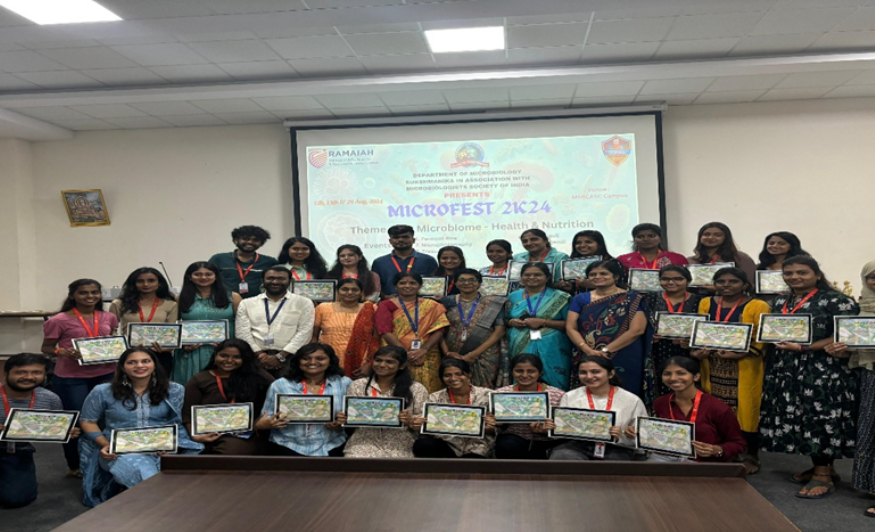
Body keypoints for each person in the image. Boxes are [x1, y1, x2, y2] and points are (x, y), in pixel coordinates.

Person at [759, 256, 860, 499]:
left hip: (823, 369)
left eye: (802, 272)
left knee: (820, 417)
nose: (794, 277)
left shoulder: (837, 300)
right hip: (787, 367)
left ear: (817, 274)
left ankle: (822, 476)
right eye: (789, 273)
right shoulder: (780, 300)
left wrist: (806, 347)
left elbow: (846, 332)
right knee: (800, 417)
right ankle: (825, 468)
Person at [79, 348, 203, 507]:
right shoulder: (103, 391)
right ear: (122, 367)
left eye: (145, 361)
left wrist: (170, 445)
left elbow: (175, 422)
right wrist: (105, 445)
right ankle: (165, 508)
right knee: (147, 476)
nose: (139, 365)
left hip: (160, 446)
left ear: (154, 365)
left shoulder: (174, 390)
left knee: (188, 470)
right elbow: (87, 421)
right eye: (132, 362)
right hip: (119, 450)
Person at [691, 267, 769, 474]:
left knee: (747, 409)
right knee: (716, 407)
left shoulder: (758, 305)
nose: (726, 285)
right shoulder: (706, 302)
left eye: (733, 281)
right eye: (721, 282)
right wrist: (698, 350)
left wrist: (741, 353)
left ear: (745, 285)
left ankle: (751, 454)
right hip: (712, 364)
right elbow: (700, 329)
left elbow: (762, 336)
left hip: (745, 366)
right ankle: (724, 450)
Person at [41, 279, 119, 478]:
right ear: (72, 295)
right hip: (72, 377)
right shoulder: (58, 320)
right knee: (76, 422)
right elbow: (46, 347)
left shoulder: (109, 317)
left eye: (94, 292)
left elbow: (112, 340)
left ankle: (104, 460)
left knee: (105, 419)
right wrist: (62, 351)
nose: (90, 296)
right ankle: (74, 464)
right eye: (83, 293)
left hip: (106, 373)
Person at [566, 260, 653, 400]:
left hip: (624, 352)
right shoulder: (580, 299)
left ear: (616, 277)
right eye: (593, 274)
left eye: (603, 273)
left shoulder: (632, 298)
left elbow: (637, 330)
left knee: (626, 391)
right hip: (587, 352)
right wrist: (587, 350)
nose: (597, 277)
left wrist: (606, 350)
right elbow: (571, 327)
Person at [0, 354, 76, 509]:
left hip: (16, 451)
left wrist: (65, 431)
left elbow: (52, 426)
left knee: (16, 499)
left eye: (36, 372)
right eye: (21, 372)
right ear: (6, 373)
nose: (29, 377)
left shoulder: (50, 399)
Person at [643, 357, 746, 462]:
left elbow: (738, 443)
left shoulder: (717, 407)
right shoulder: (660, 403)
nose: (673, 378)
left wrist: (717, 450)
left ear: (696, 377)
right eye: (667, 374)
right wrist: (641, 434)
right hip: (667, 457)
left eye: (681, 373)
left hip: (703, 461)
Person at [256, 343, 351, 456]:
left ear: (331, 361)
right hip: (287, 445)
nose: (312, 362)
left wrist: (341, 422)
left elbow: (354, 417)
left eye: (320, 358)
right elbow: (263, 419)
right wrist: (265, 424)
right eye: (306, 358)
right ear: (298, 362)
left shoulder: (344, 383)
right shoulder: (280, 385)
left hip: (331, 445)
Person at [182, 339, 275, 455]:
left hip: (243, 433)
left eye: (237, 357)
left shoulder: (256, 378)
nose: (229, 360)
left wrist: (253, 367)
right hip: (207, 431)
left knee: (233, 450)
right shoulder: (199, 379)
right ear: (215, 355)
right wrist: (194, 435)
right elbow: (187, 412)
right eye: (224, 356)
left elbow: (275, 389)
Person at [550, 357, 646, 461]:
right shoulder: (570, 396)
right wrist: (552, 427)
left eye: (595, 372)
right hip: (577, 446)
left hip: (617, 447)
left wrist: (623, 435)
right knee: (563, 457)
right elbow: (561, 430)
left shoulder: (632, 400)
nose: (589, 376)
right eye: (583, 372)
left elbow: (643, 437)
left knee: (615, 464)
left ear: (611, 374)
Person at [344, 346, 429, 458]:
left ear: (402, 365)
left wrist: (410, 421)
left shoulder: (416, 389)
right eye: (378, 360)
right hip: (363, 442)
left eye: (390, 362)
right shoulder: (357, 385)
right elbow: (351, 419)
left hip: (400, 444)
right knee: (354, 461)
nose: (382, 365)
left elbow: (423, 424)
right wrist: (345, 418)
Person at [235, 266, 315, 377]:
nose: (275, 282)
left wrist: (281, 356)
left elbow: (305, 332)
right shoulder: (247, 303)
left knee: (287, 387)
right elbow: (242, 332)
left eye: (281, 278)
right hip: (254, 357)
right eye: (270, 278)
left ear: (290, 281)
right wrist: (261, 355)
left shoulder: (304, 303)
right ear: (262, 280)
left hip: (291, 357)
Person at [376, 273, 449, 393]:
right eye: (402, 283)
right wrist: (406, 353)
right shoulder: (386, 305)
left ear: (419, 286)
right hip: (396, 355)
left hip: (427, 354)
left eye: (412, 283)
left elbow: (440, 330)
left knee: (429, 389)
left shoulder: (433, 305)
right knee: (398, 389)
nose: (407, 286)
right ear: (396, 286)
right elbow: (384, 331)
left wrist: (423, 350)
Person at [173, 261, 242, 386]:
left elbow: (241, 326)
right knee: (192, 388)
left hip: (225, 352)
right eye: (197, 274)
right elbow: (174, 326)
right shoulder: (179, 298)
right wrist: (182, 344)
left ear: (216, 276)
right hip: (191, 353)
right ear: (189, 277)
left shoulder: (233, 297)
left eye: (208, 274)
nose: (203, 277)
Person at [505, 262, 572, 390]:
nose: (532, 277)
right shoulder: (513, 296)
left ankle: (555, 401)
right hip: (519, 344)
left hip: (552, 347)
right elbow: (505, 320)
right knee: (523, 375)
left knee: (555, 380)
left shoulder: (561, 297)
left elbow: (571, 324)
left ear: (547, 278)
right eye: (527, 274)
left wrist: (543, 322)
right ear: (521, 277)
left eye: (537, 274)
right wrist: (511, 322)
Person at [410, 359, 495, 458]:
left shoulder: (487, 395)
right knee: (422, 445)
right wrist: (419, 423)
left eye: (459, 374)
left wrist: (492, 427)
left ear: (469, 374)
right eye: (447, 375)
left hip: (478, 445)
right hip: (448, 445)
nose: (453, 378)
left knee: (471, 459)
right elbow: (426, 425)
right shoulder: (435, 397)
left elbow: (498, 426)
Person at [440, 269, 507, 388]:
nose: (467, 283)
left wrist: (474, 354)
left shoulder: (493, 303)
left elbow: (500, 330)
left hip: (485, 354)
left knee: (484, 389)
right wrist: (447, 353)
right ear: (456, 283)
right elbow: (439, 329)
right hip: (453, 354)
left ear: (479, 283)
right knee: (454, 384)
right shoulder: (447, 301)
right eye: (462, 280)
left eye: (472, 280)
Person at [644, 265, 703, 395]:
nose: (671, 282)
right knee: (660, 387)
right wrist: (649, 336)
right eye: (665, 279)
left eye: (678, 279)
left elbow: (706, 329)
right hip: (658, 351)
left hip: (688, 352)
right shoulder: (649, 299)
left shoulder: (701, 301)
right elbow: (640, 324)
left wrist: (694, 342)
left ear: (688, 281)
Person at [109, 267, 179, 376]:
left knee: (159, 385)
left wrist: (167, 347)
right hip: (130, 354)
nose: (146, 284)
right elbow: (111, 330)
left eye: (151, 280)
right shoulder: (119, 304)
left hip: (160, 355)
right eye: (140, 281)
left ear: (159, 283)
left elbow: (171, 332)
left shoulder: (171, 304)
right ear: (134, 284)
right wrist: (119, 347)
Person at [493, 354, 564, 459]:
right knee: (506, 445)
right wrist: (495, 423)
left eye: (531, 371)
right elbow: (495, 428)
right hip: (514, 439)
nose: (525, 375)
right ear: (512, 372)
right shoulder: (502, 394)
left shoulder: (557, 395)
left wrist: (547, 431)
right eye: (519, 371)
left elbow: (563, 427)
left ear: (540, 373)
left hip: (547, 442)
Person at [312, 278, 380, 378]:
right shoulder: (323, 308)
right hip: (327, 360)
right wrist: (315, 359)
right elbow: (314, 337)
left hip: (360, 362)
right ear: (337, 291)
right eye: (345, 289)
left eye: (354, 290)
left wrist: (369, 364)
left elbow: (376, 339)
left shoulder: (371, 309)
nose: (350, 292)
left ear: (361, 292)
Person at [849, 260, 875, 516]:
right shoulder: (862, 306)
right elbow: (855, 338)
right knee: (870, 426)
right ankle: (871, 484)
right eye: (873, 277)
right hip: (870, 373)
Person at [209, 225, 277, 298]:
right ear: (236, 240)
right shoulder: (219, 259)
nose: (250, 242)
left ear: (261, 243)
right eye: (245, 239)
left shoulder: (270, 262)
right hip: (224, 301)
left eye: (255, 240)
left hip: (256, 302)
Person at [371, 225, 438, 297]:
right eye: (396, 237)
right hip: (390, 302)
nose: (400, 240)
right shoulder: (379, 263)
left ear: (413, 240)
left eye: (405, 237)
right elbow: (375, 286)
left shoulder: (428, 260)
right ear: (390, 241)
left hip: (422, 302)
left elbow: (435, 285)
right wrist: (385, 297)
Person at [687, 222, 757, 290]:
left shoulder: (740, 258)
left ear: (726, 238)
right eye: (706, 234)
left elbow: (750, 283)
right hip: (696, 296)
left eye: (717, 235)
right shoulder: (690, 261)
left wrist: (720, 288)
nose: (711, 237)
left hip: (731, 297)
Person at [617, 223, 689, 272]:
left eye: (651, 236)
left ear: (660, 239)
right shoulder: (622, 260)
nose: (646, 239)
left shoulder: (677, 258)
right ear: (634, 240)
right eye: (640, 237)